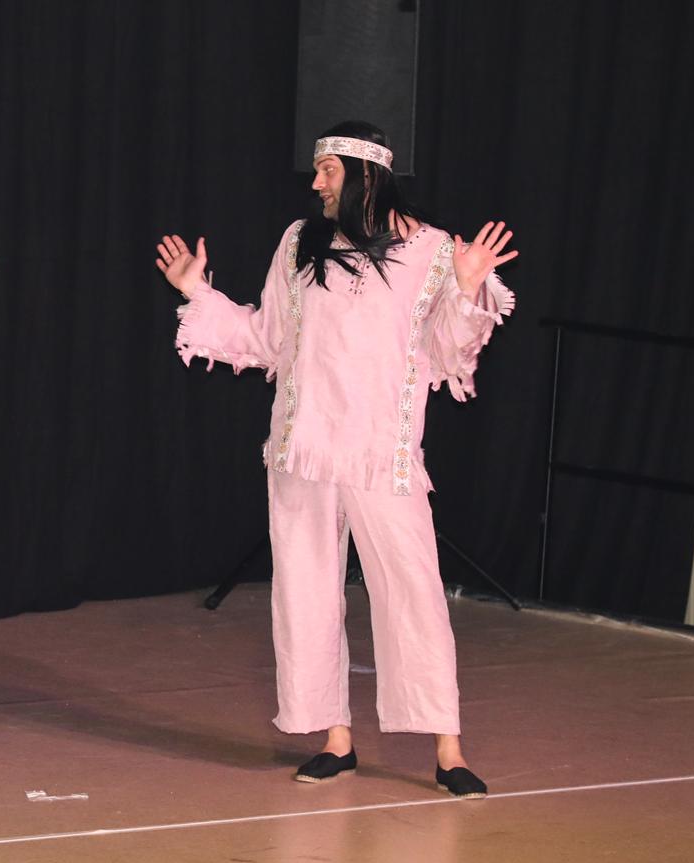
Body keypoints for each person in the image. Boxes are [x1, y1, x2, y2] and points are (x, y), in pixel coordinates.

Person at [154, 121, 516, 798]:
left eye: (328, 170)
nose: (316, 182)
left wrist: (467, 287)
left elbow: (448, 351)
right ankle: (335, 739)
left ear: (366, 174)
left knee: (412, 593)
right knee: (305, 593)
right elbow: (268, 336)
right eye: (317, 169)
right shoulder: (300, 242)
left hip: (382, 453)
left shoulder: (434, 250)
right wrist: (197, 294)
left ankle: (447, 747)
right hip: (303, 446)